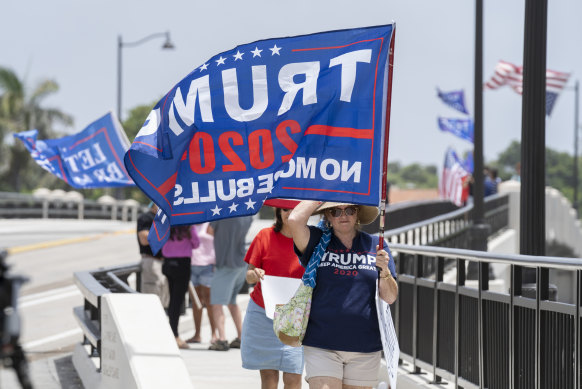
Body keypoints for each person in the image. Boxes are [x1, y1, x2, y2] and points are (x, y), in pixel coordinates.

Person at [288, 201, 398, 389]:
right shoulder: (316, 240)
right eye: (335, 211)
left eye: (349, 210)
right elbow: (295, 219)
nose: (343, 215)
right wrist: (328, 190)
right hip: (322, 343)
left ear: (357, 214)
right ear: (327, 216)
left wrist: (385, 271)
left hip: (365, 345)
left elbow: (390, 298)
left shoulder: (375, 244)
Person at [241, 205, 304, 389]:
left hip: (295, 317)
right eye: (285, 209)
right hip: (263, 313)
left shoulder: (310, 239)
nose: (289, 214)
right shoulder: (264, 235)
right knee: (269, 378)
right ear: (278, 212)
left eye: (294, 209)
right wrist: (256, 274)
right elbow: (249, 275)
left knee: (293, 376)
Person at [208, 216, 253, 351]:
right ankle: (240, 337)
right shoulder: (247, 215)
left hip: (225, 263)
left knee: (216, 303)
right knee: (232, 302)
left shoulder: (221, 213)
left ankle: (222, 339)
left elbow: (209, 231)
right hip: (240, 262)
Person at [161, 225, 200, 349]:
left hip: (168, 263)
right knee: (177, 301)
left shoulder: (166, 225)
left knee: (172, 299)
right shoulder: (189, 227)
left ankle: (171, 332)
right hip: (183, 264)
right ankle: (174, 334)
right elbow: (196, 244)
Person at [186, 222, 218, 344]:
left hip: (208, 266)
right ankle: (197, 334)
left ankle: (214, 334)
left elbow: (218, 243)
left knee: (209, 302)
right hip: (192, 266)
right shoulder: (190, 225)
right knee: (196, 302)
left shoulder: (210, 224)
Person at [136, 202, 168, 308]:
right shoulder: (146, 218)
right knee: (151, 298)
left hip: (164, 261)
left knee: (163, 298)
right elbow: (144, 239)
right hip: (151, 260)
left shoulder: (164, 218)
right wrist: (166, 234)